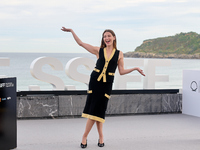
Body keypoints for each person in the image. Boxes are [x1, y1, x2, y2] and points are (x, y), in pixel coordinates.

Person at [61, 27, 145, 148]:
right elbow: (81, 43)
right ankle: (88, 137)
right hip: (95, 82)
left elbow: (121, 71)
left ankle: (96, 136)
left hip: (107, 85)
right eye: (104, 36)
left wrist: (135, 68)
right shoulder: (98, 50)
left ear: (114, 37)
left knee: (99, 110)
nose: (106, 38)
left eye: (109, 36)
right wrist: (72, 31)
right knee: (94, 110)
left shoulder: (119, 54)